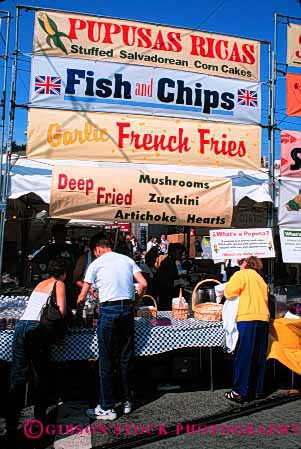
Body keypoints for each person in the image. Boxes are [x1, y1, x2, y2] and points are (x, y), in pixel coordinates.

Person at [77, 236, 147, 420]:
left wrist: (77, 309)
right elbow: (144, 284)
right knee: (125, 356)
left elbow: (82, 296)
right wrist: (135, 302)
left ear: (98, 249)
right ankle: (126, 401)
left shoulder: (96, 264)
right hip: (126, 311)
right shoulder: (127, 260)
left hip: (108, 311)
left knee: (106, 359)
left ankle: (107, 406)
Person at [7, 258, 67, 442]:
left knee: (18, 375)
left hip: (21, 327)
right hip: (36, 329)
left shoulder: (41, 283)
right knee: (39, 374)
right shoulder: (60, 283)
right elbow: (62, 311)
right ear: (64, 272)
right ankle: (39, 418)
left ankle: (11, 421)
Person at [224, 256, 269, 402]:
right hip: (263, 318)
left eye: (241, 262)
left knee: (244, 355)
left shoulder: (240, 274)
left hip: (247, 317)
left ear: (245, 264)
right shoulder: (261, 279)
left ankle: (238, 391)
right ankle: (256, 390)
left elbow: (229, 292)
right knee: (258, 356)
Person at [31, 223, 80, 307]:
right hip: (53, 286)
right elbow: (33, 262)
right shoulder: (49, 249)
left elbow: (82, 262)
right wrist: (42, 275)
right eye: (58, 235)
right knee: (54, 309)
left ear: (65, 234)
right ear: (54, 235)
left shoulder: (73, 248)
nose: (60, 237)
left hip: (70, 286)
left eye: (62, 234)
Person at [154, 243, 185, 311]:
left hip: (168, 295)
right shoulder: (168, 263)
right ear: (173, 253)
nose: (182, 254)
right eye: (180, 252)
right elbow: (167, 282)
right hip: (167, 297)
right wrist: (180, 282)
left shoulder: (170, 261)